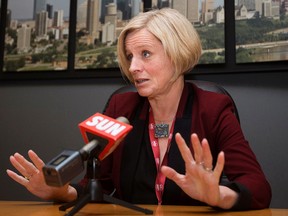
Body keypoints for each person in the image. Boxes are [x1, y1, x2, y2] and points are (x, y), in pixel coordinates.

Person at [7, 8, 271, 210]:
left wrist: (219, 195)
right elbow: (99, 185)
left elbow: (258, 187)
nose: (133, 67)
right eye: (130, 56)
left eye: (145, 54)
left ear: (178, 54)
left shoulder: (212, 108)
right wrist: (59, 192)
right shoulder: (121, 107)